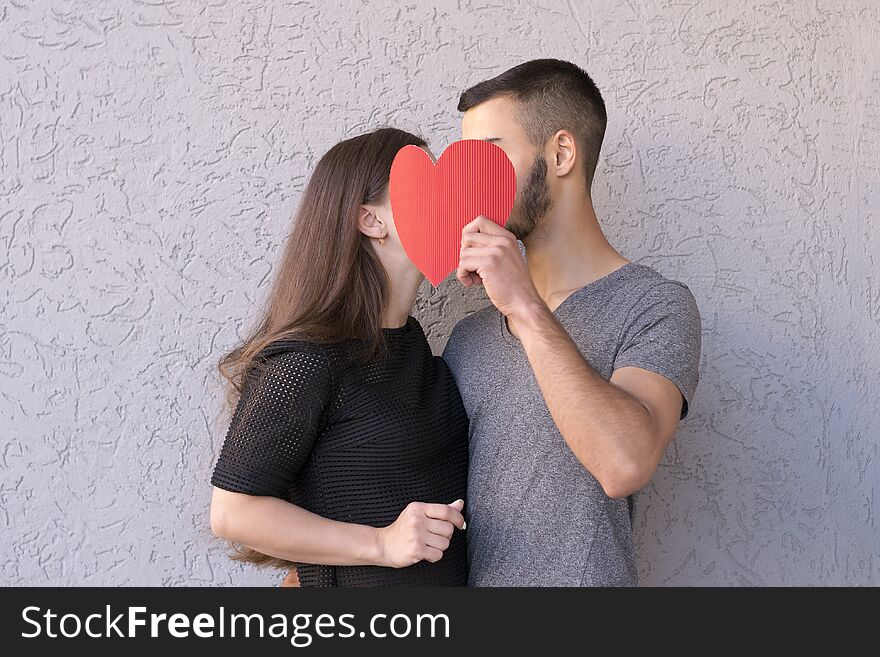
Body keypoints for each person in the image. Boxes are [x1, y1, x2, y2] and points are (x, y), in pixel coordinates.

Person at [442, 59, 702, 586]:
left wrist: (528, 310)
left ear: (561, 153)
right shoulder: (467, 338)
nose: (471, 181)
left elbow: (624, 463)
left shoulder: (655, 306)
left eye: (489, 155)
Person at [209, 127, 468, 587]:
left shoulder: (410, 345)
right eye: (424, 186)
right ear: (371, 221)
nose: (450, 201)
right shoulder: (309, 360)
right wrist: (381, 544)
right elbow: (233, 512)